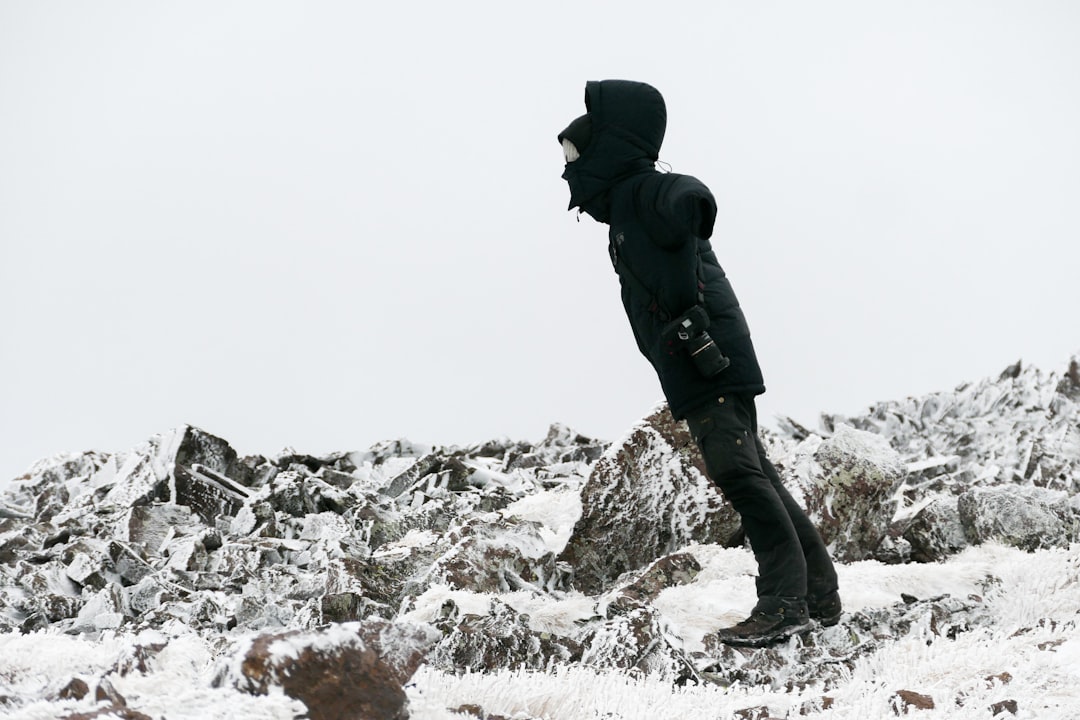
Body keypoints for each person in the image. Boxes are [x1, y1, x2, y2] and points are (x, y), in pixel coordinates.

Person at [558, 80, 841, 647]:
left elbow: (687, 194)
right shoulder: (626, 213)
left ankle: (784, 605)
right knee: (756, 472)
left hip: (708, 358)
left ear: (606, 150)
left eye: (573, 158)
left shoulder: (645, 193)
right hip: (701, 360)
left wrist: (692, 206)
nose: (568, 172)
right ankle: (817, 596)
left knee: (740, 474)